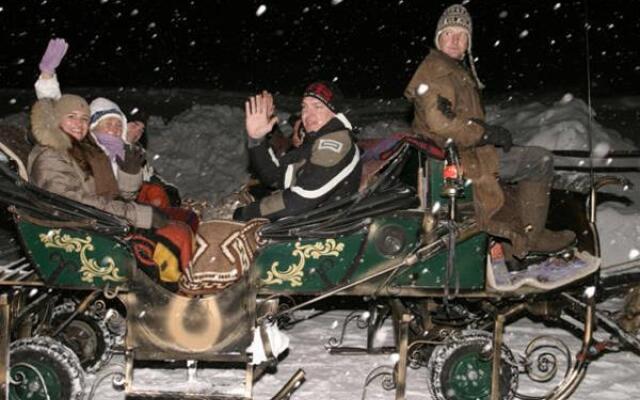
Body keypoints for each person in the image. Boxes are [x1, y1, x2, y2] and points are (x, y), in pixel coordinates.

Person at [404, 4, 575, 262]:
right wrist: (485, 134)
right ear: (438, 38)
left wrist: (485, 134)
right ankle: (532, 236)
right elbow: (441, 123)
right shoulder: (438, 71)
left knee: (508, 176)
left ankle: (510, 251)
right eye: (448, 33)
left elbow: (457, 118)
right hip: (455, 161)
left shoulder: (452, 70)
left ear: (467, 45)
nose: (454, 39)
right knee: (539, 161)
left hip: (461, 154)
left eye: (461, 35)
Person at [233, 82, 362, 221]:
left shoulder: (336, 142)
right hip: (306, 229)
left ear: (335, 113)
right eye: (304, 107)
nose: (308, 115)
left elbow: (300, 201)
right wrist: (257, 139)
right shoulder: (313, 143)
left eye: (317, 106)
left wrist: (244, 214)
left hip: (322, 234)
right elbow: (274, 175)